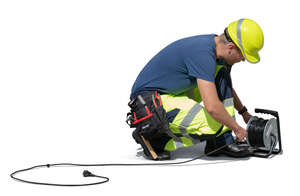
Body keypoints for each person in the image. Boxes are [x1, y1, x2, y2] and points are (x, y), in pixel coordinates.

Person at [126, 18, 264, 160]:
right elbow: (212, 107)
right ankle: (157, 139)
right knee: (216, 125)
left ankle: (220, 143)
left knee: (221, 73)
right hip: (151, 102)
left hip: (170, 92)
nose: (242, 60)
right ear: (230, 48)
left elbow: (226, 88)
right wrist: (236, 128)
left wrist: (244, 113)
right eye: (243, 55)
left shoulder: (214, 50)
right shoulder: (203, 54)